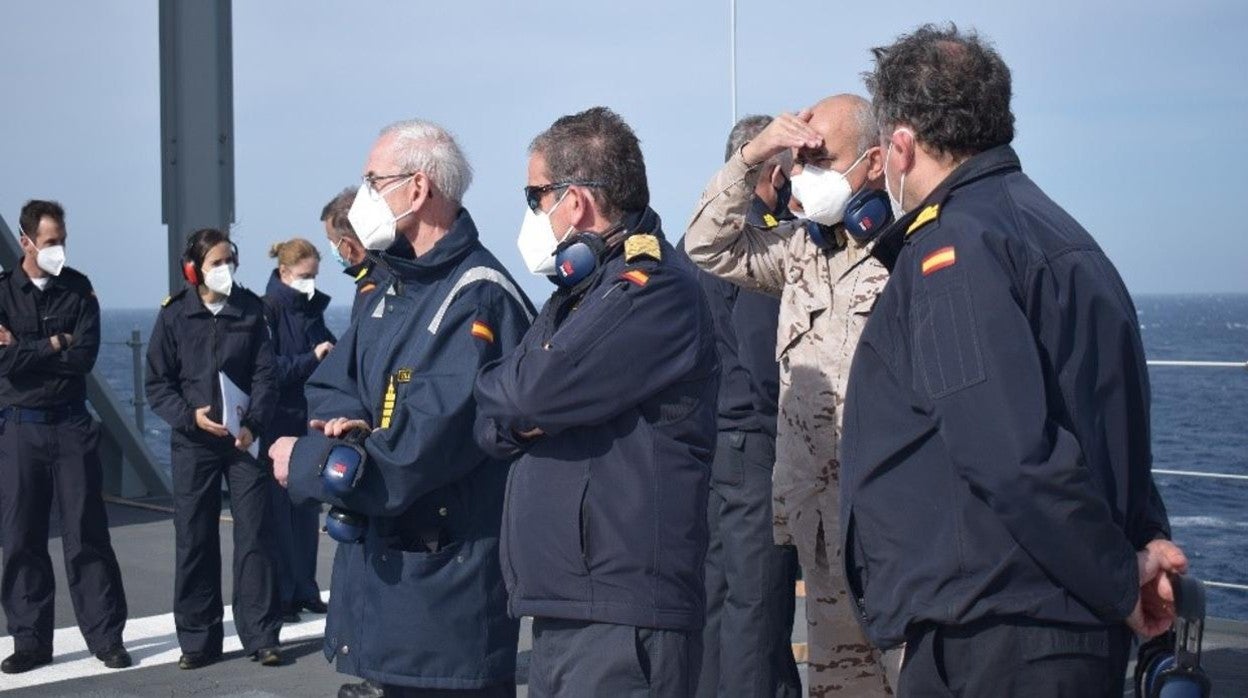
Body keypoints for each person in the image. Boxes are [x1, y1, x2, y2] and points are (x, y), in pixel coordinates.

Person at [839, 24, 1186, 696]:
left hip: (998, 637)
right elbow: (1109, 432)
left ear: (902, 147)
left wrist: (1120, 578)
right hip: (1054, 626)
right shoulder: (1061, 235)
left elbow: (1008, 451)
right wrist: (1134, 557)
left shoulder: (952, 247)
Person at [267, 119, 534, 698]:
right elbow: (331, 384)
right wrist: (351, 425)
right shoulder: (391, 286)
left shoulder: (477, 295)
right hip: (391, 586)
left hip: (446, 598)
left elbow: (417, 451)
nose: (362, 196)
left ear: (417, 189)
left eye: (372, 181)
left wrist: (310, 459)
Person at [474, 106, 718, 698]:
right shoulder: (578, 294)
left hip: (622, 609)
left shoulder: (650, 287)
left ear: (575, 200)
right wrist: (526, 414)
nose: (532, 213)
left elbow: (529, 389)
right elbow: (491, 415)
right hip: (571, 601)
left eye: (536, 196)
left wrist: (529, 407)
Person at [684, 95, 895, 694]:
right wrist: (754, 156)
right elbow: (706, 244)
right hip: (814, 517)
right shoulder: (802, 251)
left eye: (820, 158)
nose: (806, 174)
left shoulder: (905, 255)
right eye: (798, 162)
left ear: (874, 161)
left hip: (882, 521)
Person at [681, 116, 800, 698]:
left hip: (712, 446)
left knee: (717, 603)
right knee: (757, 610)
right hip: (755, 447)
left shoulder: (694, 252)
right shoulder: (764, 246)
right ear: (774, 171)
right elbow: (763, 360)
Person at [0, 200, 131, 674]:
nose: (58, 249)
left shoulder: (78, 290)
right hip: (21, 428)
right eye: (50, 241)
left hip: (71, 425)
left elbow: (84, 359)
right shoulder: (3, 294)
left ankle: (106, 637)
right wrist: (54, 343)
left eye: (62, 240)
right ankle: (30, 642)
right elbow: (2, 363)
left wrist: (24, 350)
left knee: (87, 534)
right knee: (21, 537)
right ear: (26, 241)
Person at [145, 227, 282, 670]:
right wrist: (190, 417)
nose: (226, 270)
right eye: (216, 263)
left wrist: (253, 423)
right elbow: (157, 384)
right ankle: (198, 641)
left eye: (230, 261)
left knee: (255, 536)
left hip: (243, 441)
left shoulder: (251, 310)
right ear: (194, 270)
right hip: (194, 443)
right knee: (194, 539)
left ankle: (261, 636)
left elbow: (266, 375)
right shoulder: (173, 317)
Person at [261, 238, 335, 623]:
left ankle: (305, 588)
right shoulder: (269, 310)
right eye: (306, 276)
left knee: (306, 507)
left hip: (306, 417)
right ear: (286, 273)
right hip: (280, 418)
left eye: (315, 276)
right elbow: (268, 367)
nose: (312, 283)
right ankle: (285, 593)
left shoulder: (309, 309)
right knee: (281, 514)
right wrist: (312, 358)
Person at [322, 187, 387, 320]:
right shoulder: (396, 266)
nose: (333, 248)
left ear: (347, 245)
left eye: (332, 241)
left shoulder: (371, 288)